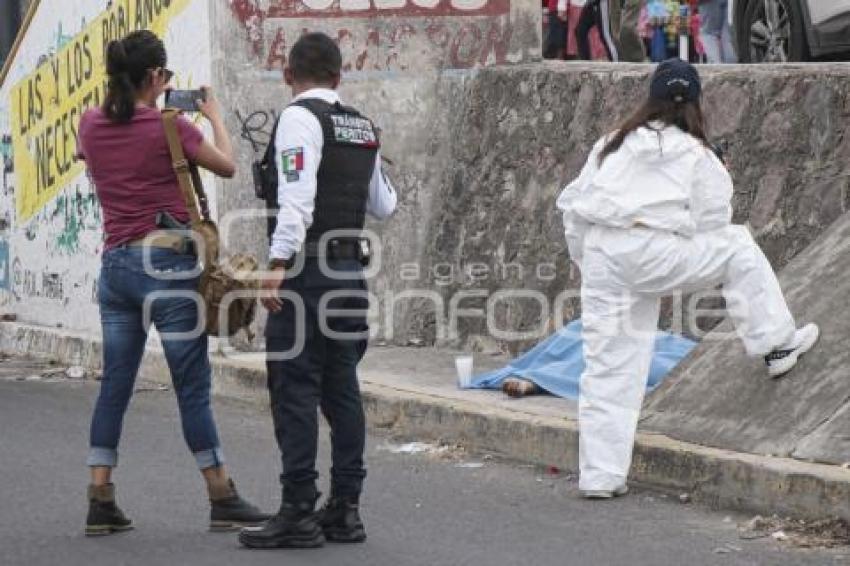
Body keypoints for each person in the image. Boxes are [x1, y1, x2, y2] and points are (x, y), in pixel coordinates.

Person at [556, 59, 820, 499]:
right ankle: (777, 343)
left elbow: (572, 211)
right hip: (654, 250)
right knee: (737, 246)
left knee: (608, 366)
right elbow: (714, 219)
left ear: (650, 99)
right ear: (695, 103)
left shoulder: (610, 144)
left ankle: (600, 476)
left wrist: (591, 264)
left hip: (603, 252)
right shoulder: (696, 152)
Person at [77, 30, 268, 536]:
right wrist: (216, 119)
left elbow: (95, 157)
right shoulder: (172, 126)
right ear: (156, 77)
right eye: (165, 77)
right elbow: (226, 166)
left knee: (115, 385)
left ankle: (101, 497)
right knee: (191, 387)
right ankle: (222, 494)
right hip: (166, 267)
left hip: (115, 269)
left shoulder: (90, 123)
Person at [239, 32, 397, 549]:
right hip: (349, 273)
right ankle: (346, 510)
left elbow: (297, 201)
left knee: (294, 390)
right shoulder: (361, 126)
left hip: (306, 274)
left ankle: (298, 511)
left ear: (289, 76)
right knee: (342, 389)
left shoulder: (297, 120)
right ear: (339, 76)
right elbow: (385, 205)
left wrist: (276, 263)